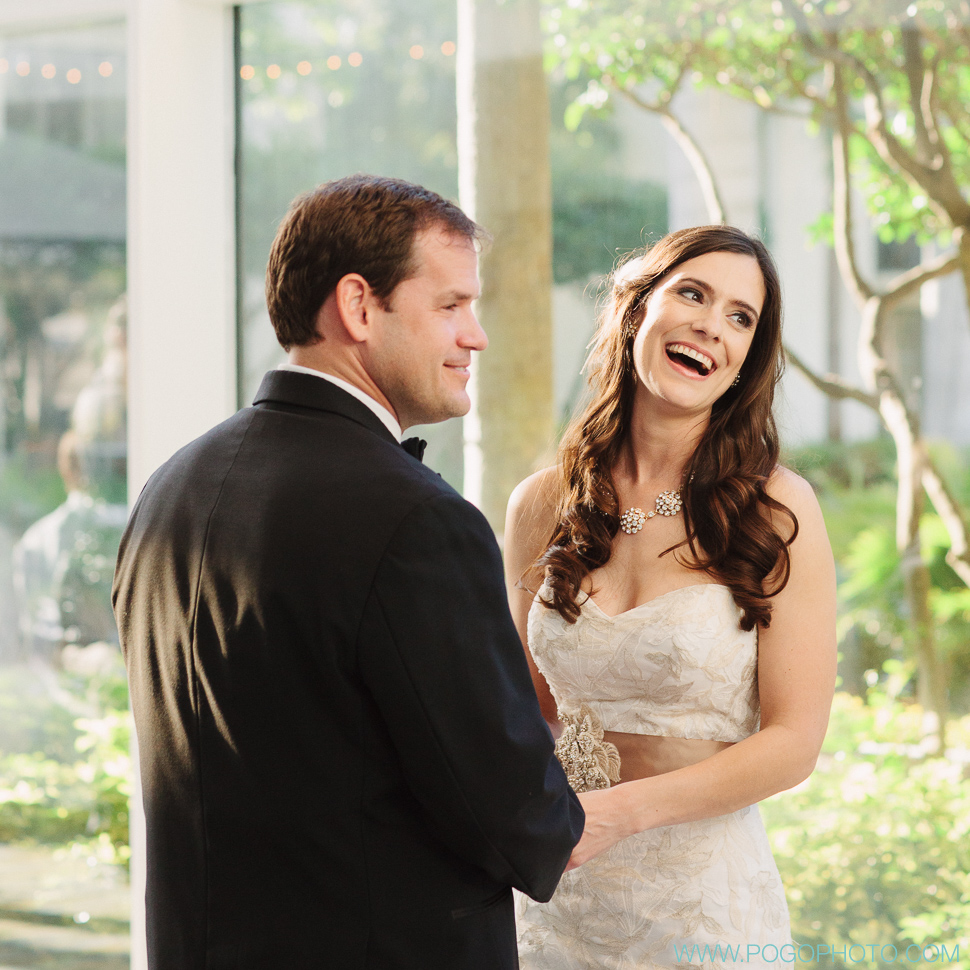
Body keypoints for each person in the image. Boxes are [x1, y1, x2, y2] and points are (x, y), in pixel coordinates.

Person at [113, 174, 584, 970]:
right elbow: (514, 818)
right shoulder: (417, 522)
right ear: (359, 306)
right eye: (450, 305)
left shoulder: (170, 488)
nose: (477, 336)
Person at [506, 226, 837, 968]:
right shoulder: (539, 505)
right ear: (636, 310)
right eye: (691, 293)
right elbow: (524, 713)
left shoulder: (777, 511)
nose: (709, 325)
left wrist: (616, 816)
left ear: (746, 359)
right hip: (557, 902)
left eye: (740, 317)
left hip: (703, 908)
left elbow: (794, 742)